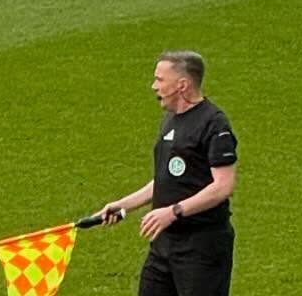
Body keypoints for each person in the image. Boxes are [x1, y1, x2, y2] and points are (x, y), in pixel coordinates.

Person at [94, 50, 238, 295]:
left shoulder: (214, 124)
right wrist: (123, 205)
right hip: (164, 243)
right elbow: (166, 179)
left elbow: (223, 186)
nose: (153, 86)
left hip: (201, 246)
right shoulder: (171, 120)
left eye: (160, 80)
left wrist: (174, 212)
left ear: (182, 85)